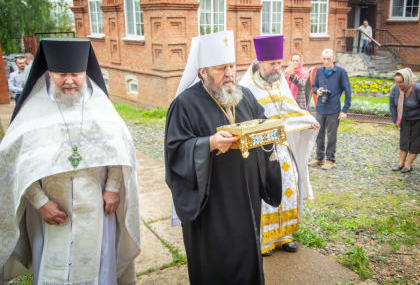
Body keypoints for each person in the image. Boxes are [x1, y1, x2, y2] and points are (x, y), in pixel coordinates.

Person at [0, 38, 141, 284]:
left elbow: (121, 149)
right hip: (52, 206)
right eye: (61, 74)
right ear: (49, 72)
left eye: (75, 74)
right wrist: (39, 201)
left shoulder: (100, 105)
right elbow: (14, 163)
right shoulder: (33, 110)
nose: (68, 81)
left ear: (84, 72)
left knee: (98, 264)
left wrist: (113, 187)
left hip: (96, 205)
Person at [165, 30, 282, 285]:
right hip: (212, 202)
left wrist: (270, 133)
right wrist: (209, 143)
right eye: (220, 68)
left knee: (248, 250)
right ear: (202, 72)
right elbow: (175, 150)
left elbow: (262, 129)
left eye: (231, 66)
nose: (230, 74)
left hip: (247, 194)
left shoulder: (245, 96)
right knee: (216, 262)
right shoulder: (184, 104)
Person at [240, 35, 319, 256]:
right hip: (260, 152)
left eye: (279, 63)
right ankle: (264, 238)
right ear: (259, 63)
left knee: (288, 188)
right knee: (264, 192)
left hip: (282, 149)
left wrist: (307, 120)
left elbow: (289, 108)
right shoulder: (246, 88)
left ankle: (285, 235)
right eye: (272, 63)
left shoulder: (279, 81)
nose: (277, 68)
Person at [309, 48, 352, 170]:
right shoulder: (320, 71)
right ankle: (319, 158)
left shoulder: (341, 72)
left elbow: (348, 92)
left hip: (334, 109)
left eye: (328, 59)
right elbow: (314, 86)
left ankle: (330, 160)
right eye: (324, 59)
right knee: (319, 134)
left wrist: (344, 110)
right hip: (320, 108)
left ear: (333, 59)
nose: (326, 61)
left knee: (331, 135)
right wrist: (317, 90)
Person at [389, 68, 420, 173]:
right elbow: (392, 105)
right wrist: (395, 120)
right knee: (404, 141)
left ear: (406, 80)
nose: (398, 84)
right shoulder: (395, 89)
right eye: (396, 82)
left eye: (401, 82)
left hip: (417, 119)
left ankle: (409, 164)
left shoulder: (416, 88)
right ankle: (401, 163)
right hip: (404, 119)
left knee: (415, 143)